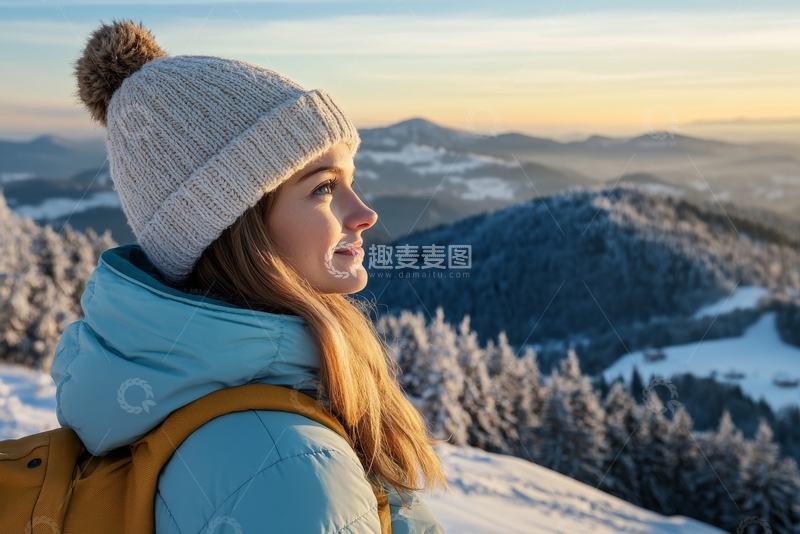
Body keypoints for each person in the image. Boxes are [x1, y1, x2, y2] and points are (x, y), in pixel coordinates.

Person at [51, 19, 446, 533]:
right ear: (237, 227)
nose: (365, 212)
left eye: (350, 180)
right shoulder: (284, 469)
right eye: (324, 188)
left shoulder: (254, 431)